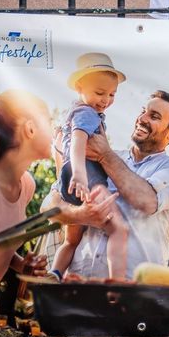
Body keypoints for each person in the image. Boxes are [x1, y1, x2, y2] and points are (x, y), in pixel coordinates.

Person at [0, 89, 118, 331]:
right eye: (49, 122)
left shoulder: (26, 184)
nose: (57, 130)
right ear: (30, 129)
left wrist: (20, 265)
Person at [67, 90, 169, 280]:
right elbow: (52, 204)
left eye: (154, 116)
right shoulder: (107, 155)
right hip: (78, 281)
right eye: (143, 111)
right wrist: (79, 214)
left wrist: (105, 155)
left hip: (134, 288)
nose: (142, 119)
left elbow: (147, 201)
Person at [50, 53, 129, 281]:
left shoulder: (75, 111)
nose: (106, 100)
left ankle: (55, 272)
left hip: (70, 178)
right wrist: (80, 175)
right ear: (79, 87)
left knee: (71, 240)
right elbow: (78, 142)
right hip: (87, 174)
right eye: (100, 93)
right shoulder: (87, 113)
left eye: (112, 94)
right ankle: (117, 282)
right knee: (119, 230)